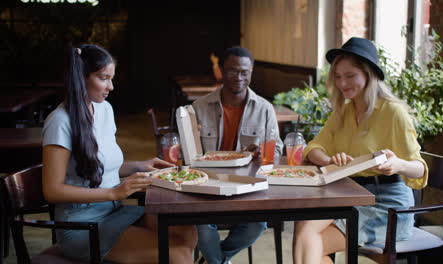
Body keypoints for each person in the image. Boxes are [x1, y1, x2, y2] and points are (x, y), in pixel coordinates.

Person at [42, 44, 197, 263]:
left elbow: (96, 166)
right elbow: (52, 190)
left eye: (111, 78)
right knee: (178, 254)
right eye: (103, 78)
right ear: (81, 78)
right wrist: (113, 193)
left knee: (186, 231)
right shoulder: (60, 121)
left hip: (114, 212)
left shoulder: (104, 109)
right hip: (82, 225)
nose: (111, 86)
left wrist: (139, 166)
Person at [292, 37, 428, 264]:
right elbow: (313, 148)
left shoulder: (393, 113)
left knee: (308, 240)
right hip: (349, 195)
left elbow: (419, 169)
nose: (342, 83)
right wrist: (330, 160)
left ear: (369, 74)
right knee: (305, 226)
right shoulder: (344, 111)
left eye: (350, 76)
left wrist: (398, 165)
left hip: (387, 205)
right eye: (337, 76)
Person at [192, 46, 283, 264]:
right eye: (233, 71)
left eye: (245, 72)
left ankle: (213, 260)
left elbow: (277, 151)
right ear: (222, 71)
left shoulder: (265, 109)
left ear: (251, 72)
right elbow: (190, 154)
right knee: (200, 224)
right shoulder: (199, 107)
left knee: (258, 223)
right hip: (207, 187)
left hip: (247, 187)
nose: (239, 77)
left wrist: (265, 155)